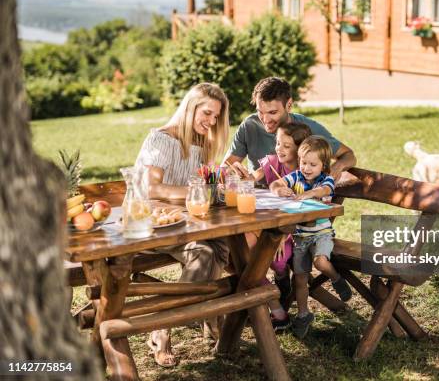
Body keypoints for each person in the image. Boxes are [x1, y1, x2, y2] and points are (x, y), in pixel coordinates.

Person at [134, 83, 231, 367]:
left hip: (190, 225)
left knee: (221, 246)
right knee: (207, 254)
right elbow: (153, 190)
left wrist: (218, 183)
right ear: (191, 107)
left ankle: (204, 315)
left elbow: (208, 183)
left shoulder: (203, 143)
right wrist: (197, 193)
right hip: (156, 225)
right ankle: (165, 329)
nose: (212, 122)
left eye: (216, 117)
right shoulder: (160, 140)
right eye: (207, 113)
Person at [270, 136, 353, 339]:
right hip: (300, 237)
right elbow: (274, 184)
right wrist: (281, 189)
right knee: (300, 279)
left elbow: (325, 190)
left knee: (321, 262)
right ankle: (303, 314)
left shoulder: (325, 179)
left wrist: (309, 194)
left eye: (312, 164)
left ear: (323, 165)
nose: (306, 168)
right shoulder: (296, 176)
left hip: (321, 235)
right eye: (303, 163)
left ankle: (336, 278)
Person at [224, 76, 356, 183]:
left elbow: (348, 155)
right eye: (260, 112)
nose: (265, 119)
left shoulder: (308, 129)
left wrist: (335, 169)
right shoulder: (250, 125)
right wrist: (232, 171)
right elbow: (226, 167)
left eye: (272, 112)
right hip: (258, 203)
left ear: (289, 105)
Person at [248, 122, 312, 330]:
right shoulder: (273, 163)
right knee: (249, 245)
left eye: (286, 146)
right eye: (277, 143)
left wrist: (283, 235)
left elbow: (310, 214)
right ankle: (277, 285)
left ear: (300, 149)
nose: (279, 149)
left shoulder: (308, 172)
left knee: (279, 256)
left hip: (296, 230)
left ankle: (280, 279)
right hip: (271, 225)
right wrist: (242, 177)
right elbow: (251, 178)